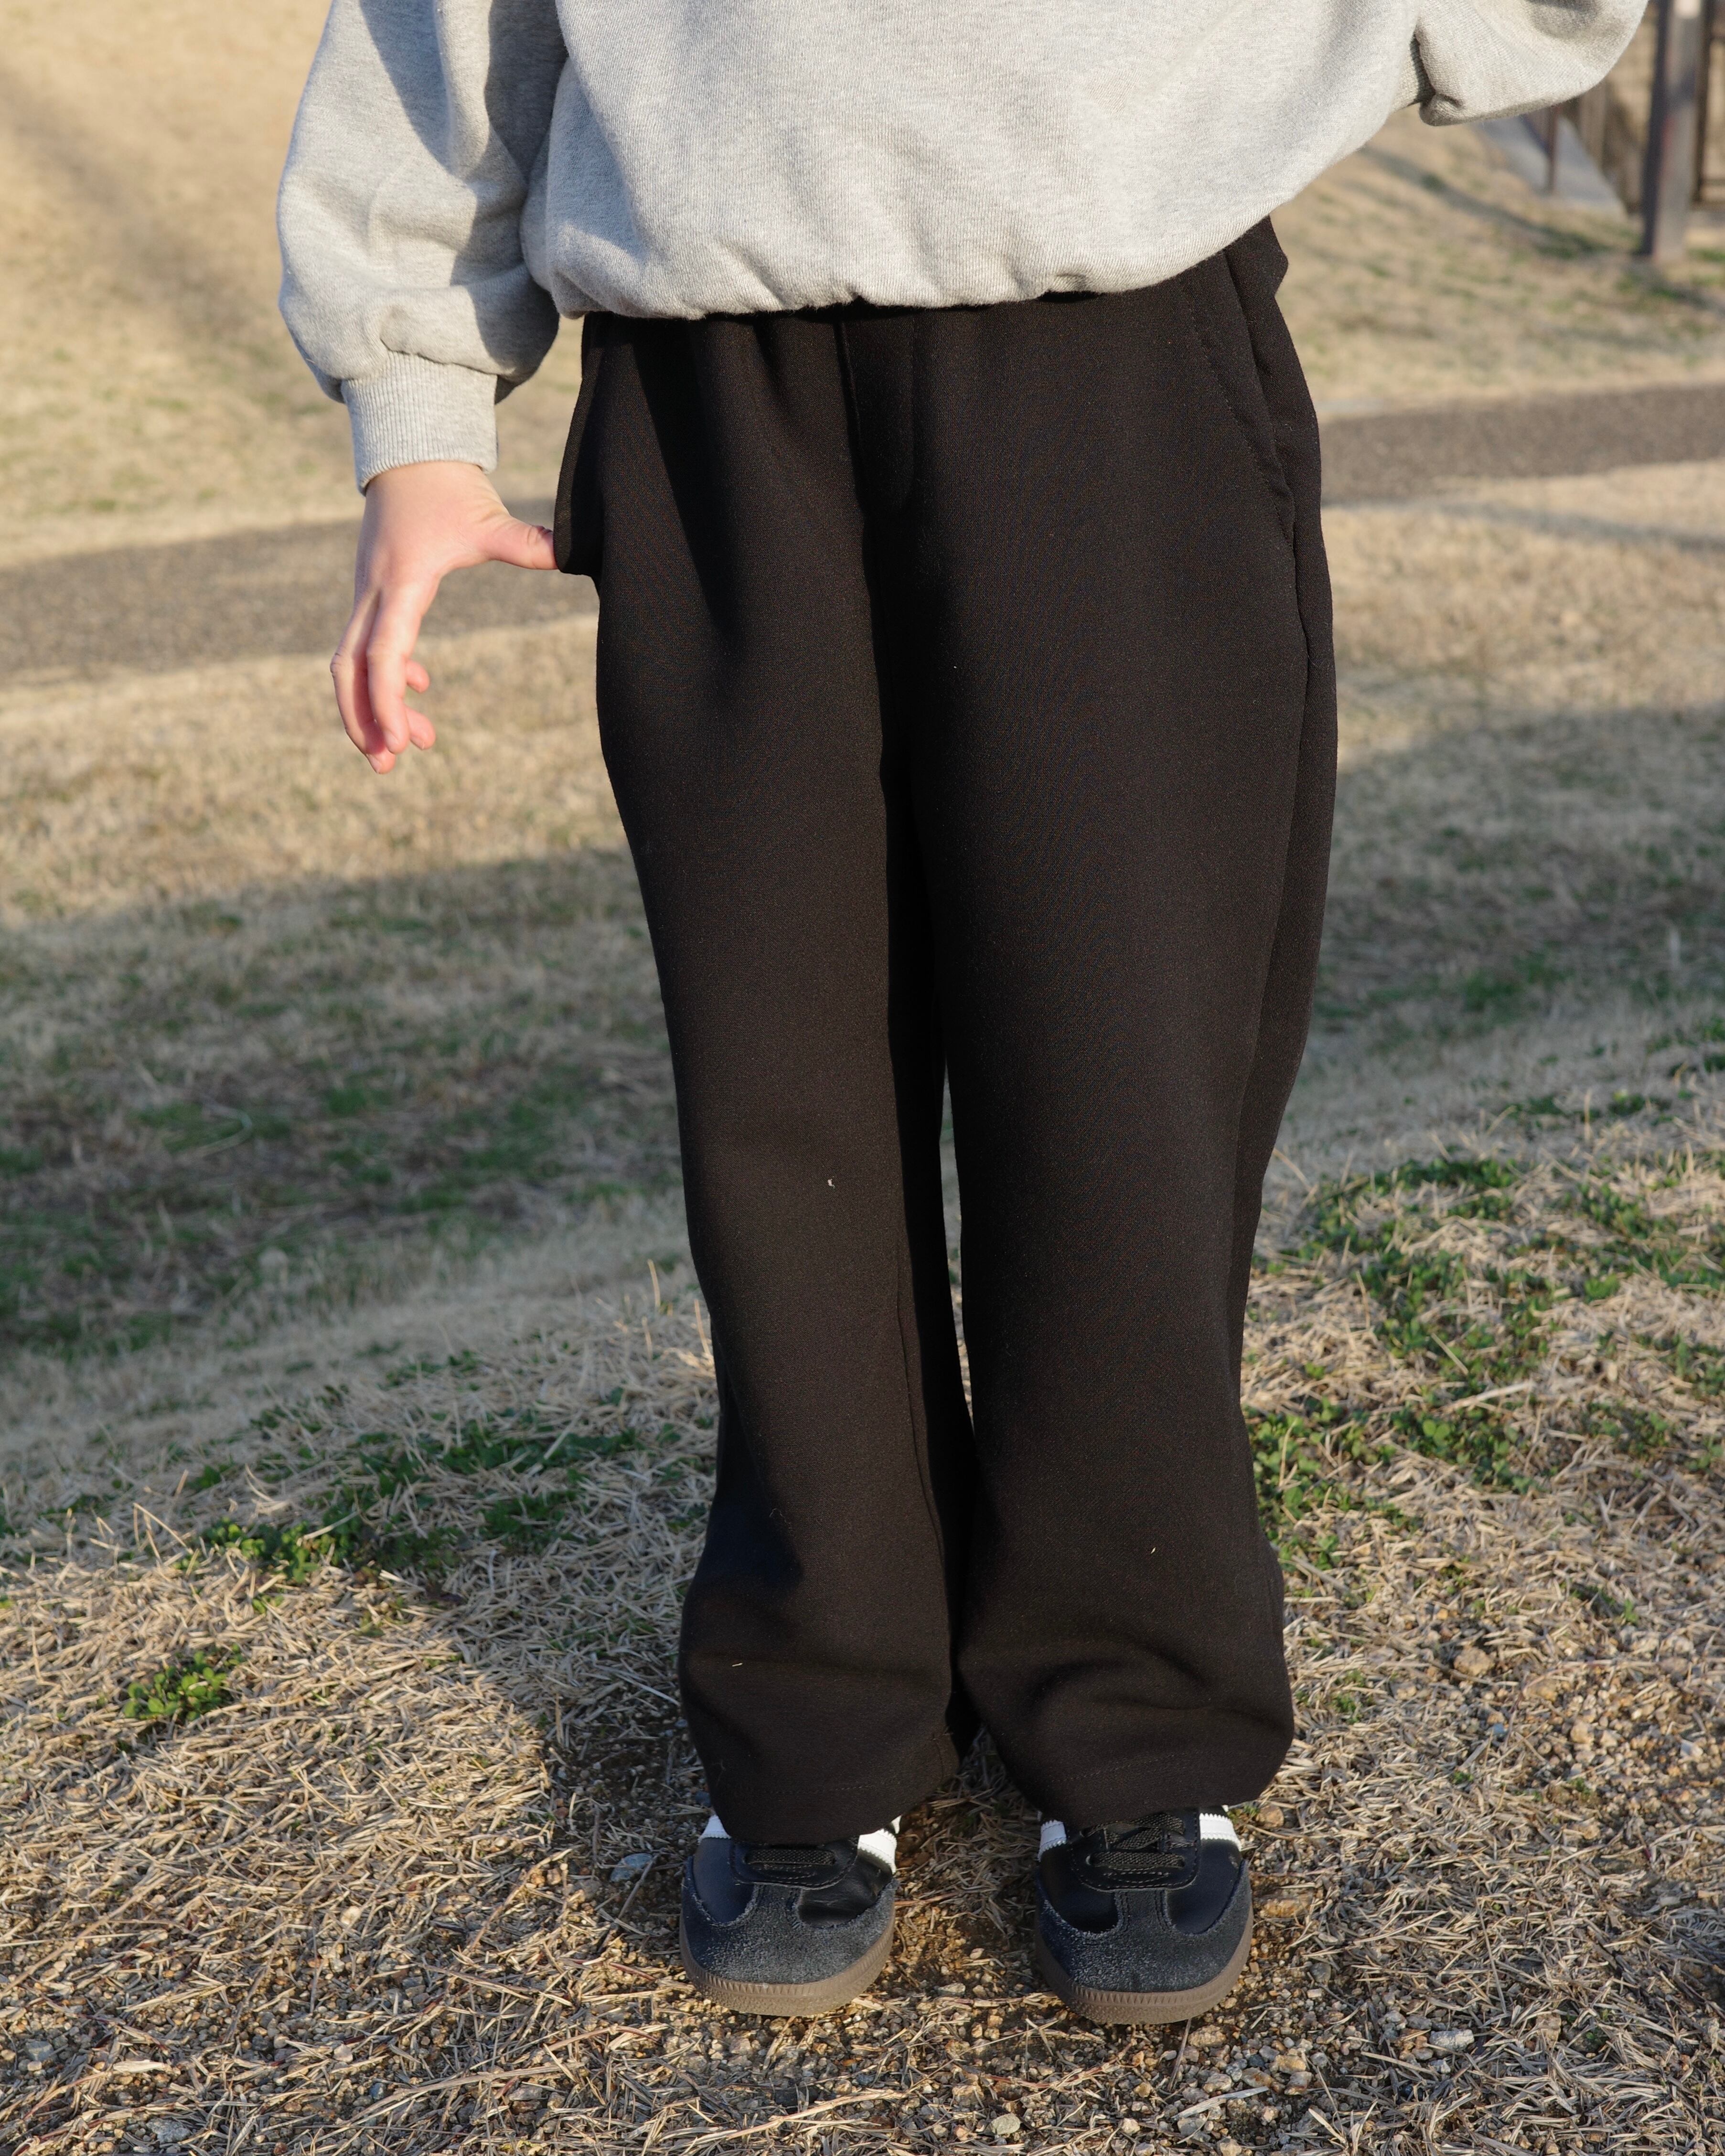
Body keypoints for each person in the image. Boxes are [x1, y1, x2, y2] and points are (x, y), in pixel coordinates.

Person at [279, 0, 1639, 2023]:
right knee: (784, 1091)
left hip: (1117, 333)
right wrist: (414, 405)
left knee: (1120, 1074)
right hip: (711, 372)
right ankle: (823, 1706)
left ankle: (1135, 1704)